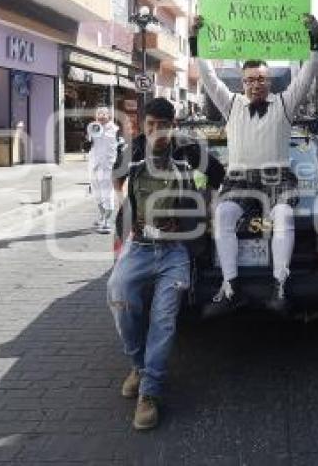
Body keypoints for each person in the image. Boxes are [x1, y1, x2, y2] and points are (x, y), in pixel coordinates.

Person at [191, 13, 318, 314]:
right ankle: (230, 287)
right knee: (223, 214)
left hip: (277, 177)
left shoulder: (285, 103)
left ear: (269, 80)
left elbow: (309, 72)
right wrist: (195, 41)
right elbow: (208, 77)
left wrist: (316, 40)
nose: (255, 84)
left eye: (261, 79)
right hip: (238, 178)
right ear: (242, 82)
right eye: (250, 80)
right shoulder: (231, 104)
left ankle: (279, 286)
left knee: (283, 217)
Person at [107, 98, 224, 431]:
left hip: (176, 250)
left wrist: (196, 212)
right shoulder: (133, 150)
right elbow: (118, 182)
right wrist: (130, 211)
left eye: (164, 124)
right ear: (143, 124)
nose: (157, 130)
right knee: (119, 298)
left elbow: (218, 176)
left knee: (164, 317)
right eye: (151, 124)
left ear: (174, 124)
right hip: (139, 246)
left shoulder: (188, 149)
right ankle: (139, 365)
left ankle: (149, 393)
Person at [86, 106, 121, 234]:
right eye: (98, 114)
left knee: (107, 194)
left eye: (103, 114)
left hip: (108, 167)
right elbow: (89, 145)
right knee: (97, 193)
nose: (100, 117)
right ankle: (102, 217)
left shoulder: (115, 130)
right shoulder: (94, 128)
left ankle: (108, 222)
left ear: (109, 116)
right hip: (94, 165)